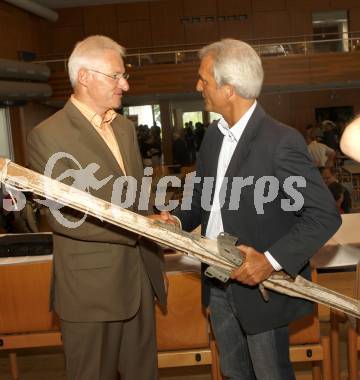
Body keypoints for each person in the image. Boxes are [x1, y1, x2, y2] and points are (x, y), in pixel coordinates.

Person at [159, 39, 341, 379]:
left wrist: (269, 262)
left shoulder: (280, 141)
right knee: (234, 373)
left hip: (261, 289)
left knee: (271, 373)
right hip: (217, 283)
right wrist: (176, 221)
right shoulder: (213, 136)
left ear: (229, 90)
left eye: (204, 80)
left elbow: (323, 215)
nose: (198, 86)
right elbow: (203, 200)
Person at [27, 35, 166, 380]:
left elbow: (134, 196)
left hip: (139, 279)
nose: (126, 85)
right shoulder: (48, 136)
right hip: (91, 291)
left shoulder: (124, 127)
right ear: (85, 76)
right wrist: (142, 229)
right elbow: (65, 216)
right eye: (116, 76)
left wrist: (153, 219)